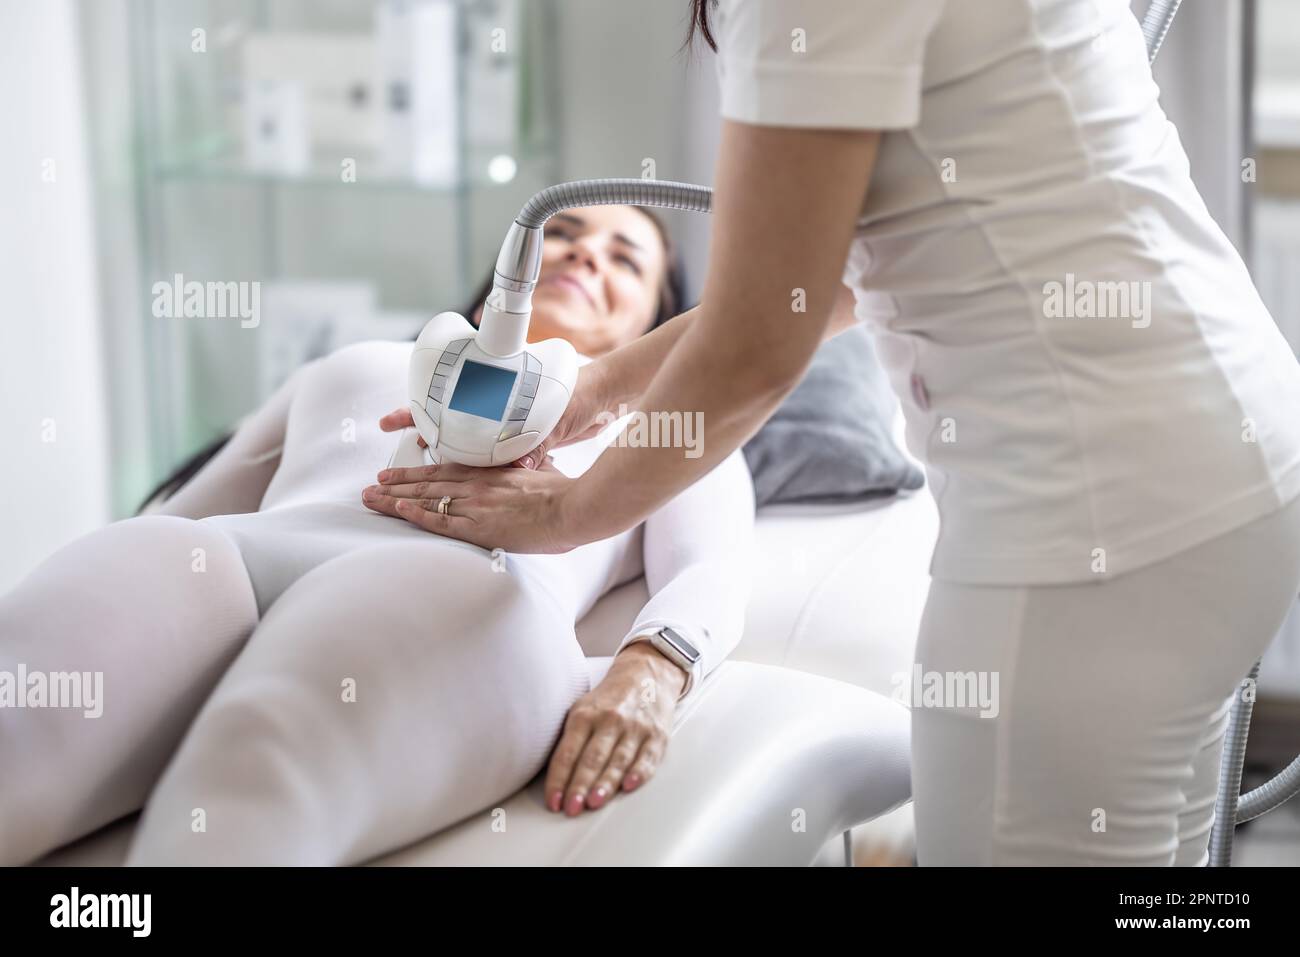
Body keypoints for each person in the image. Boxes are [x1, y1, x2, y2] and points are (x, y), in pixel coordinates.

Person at [375, 0, 1300, 865]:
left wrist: (569, 511)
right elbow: (834, 267)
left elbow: (754, 345)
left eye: (625, 253)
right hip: (1227, 466)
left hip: (1102, 526)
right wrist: (599, 388)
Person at [0, 205, 755, 866]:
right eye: (562, 233)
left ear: (661, 320)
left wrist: (651, 670)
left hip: (452, 591)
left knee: (252, 771)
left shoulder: (662, 424)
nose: (585, 253)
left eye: (625, 258)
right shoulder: (365, 364)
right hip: (231, 554)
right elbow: (181, 514)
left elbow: (712, 570)